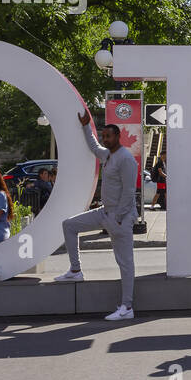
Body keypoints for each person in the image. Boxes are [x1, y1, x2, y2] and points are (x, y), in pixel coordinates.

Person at [55, 109, 138, 321]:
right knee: (69, 225)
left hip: (120, 217)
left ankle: (127, 307)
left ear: (117, 136)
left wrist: (118, 218)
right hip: (105, 212)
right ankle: (75, 270)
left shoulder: (126, 159)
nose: (105, 139)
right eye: (104, 136)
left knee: (125, 263)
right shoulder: (107, 154)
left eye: (108, 136)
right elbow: (93, 146)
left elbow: (130, 192)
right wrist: (85, 125)